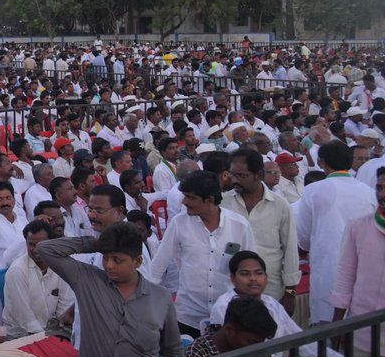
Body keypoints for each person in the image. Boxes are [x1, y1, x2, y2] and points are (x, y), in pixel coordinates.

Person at [41, 222, 183, 357]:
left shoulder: (161, 298)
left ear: (138, 262)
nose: (108, 265)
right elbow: (45, 249)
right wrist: (97, 243)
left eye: (117, 259)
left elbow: (174, 354)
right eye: (106, 257)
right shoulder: (88, 280)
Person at [209, 251, 369, 357]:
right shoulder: (224, 307)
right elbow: (260, 356)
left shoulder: (271, 303)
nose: (253, 279)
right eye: (245, 274)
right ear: (232, 279)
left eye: (258, 273)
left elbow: (302, 341)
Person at [145, 171, 255, 336]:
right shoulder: (179, 223)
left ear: (209, 200)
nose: (184, 202)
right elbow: (159, 264)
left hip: (228, 316)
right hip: (188, 316)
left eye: (190, 197)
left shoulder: (239, 226)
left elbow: (251, 267)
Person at [293, 140, 377, 324]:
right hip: (363, 269)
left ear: (322, 162)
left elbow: (303, 238)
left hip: (328, 268)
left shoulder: (313, 191)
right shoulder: (369, 192)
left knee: (328, 332)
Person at [222, 147, 301, 306]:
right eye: (232, 174)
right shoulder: (223, 203)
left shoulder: (280, 206)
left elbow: (290, 249)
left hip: (271, 291)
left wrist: (290, 293)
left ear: (259, 175)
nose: (235, 180)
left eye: (241, 175)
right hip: (230, 290)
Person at [331, 166, 385, 357]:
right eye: (379, 188)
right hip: (362, 332)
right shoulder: (358, 226)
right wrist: (338, 324)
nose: (382, 194)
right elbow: (345, 275)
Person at [2, 220, 72, 338]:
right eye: (31, 244)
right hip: (21, 337)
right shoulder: (17, 271)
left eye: (40, 244)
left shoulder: (60, 267)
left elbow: (64, 309)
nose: (35, 249)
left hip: (51, 333)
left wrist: (61, 333)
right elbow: (26, 319)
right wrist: (47, 340)